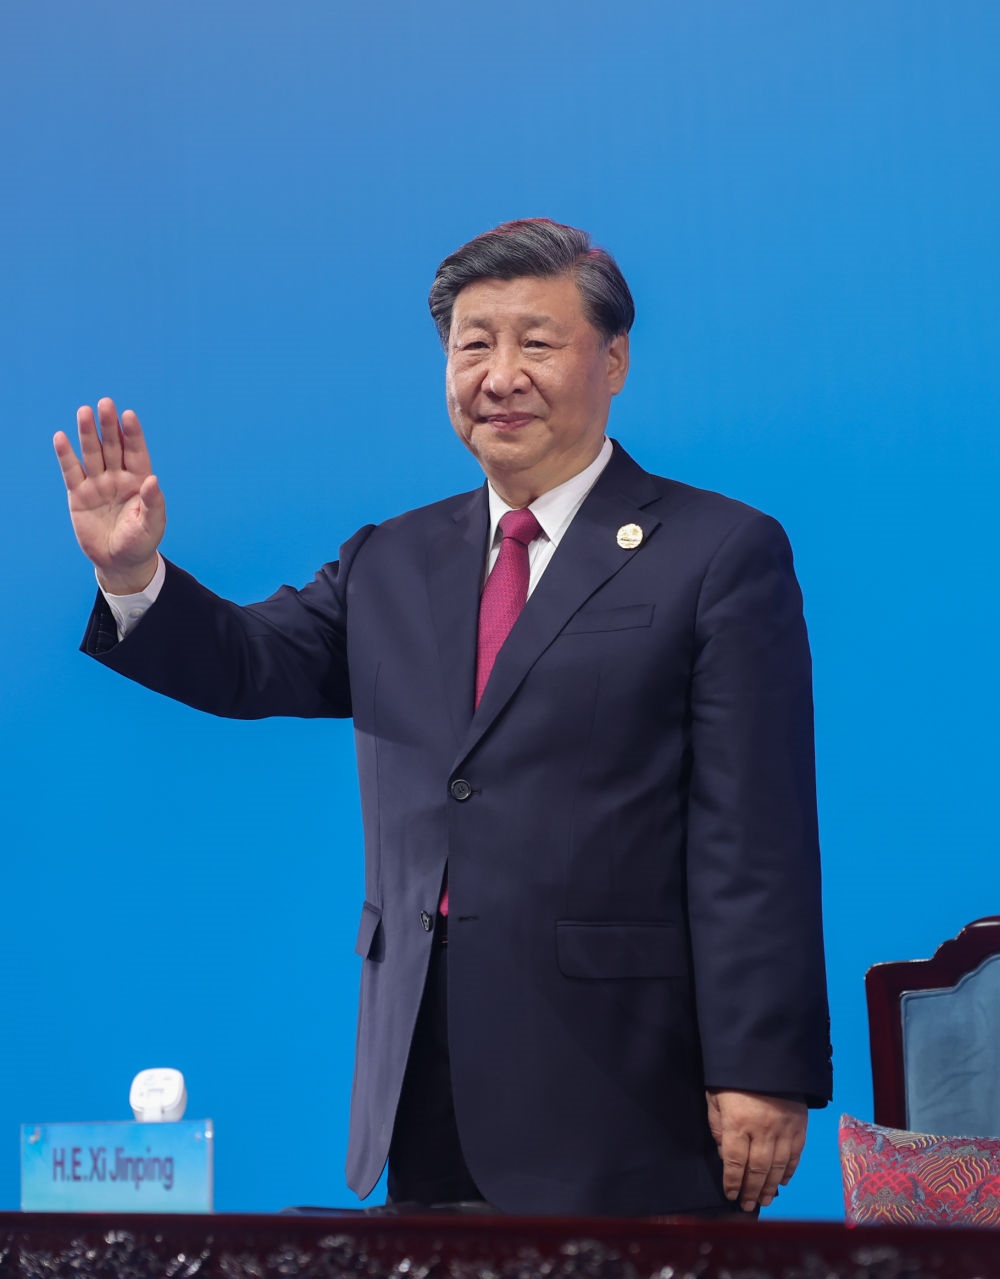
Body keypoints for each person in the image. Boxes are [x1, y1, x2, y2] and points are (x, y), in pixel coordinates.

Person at [54, 219, 832, 1217]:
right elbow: (249, 662)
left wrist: (761, 1066)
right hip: (423, 1065)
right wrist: (133, 574)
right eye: (473, 345)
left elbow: (755, 836)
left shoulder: (716, 552)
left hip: (626, 1084)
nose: (500, 375)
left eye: (536, 342)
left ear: (613, 360)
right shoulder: (392, 559)